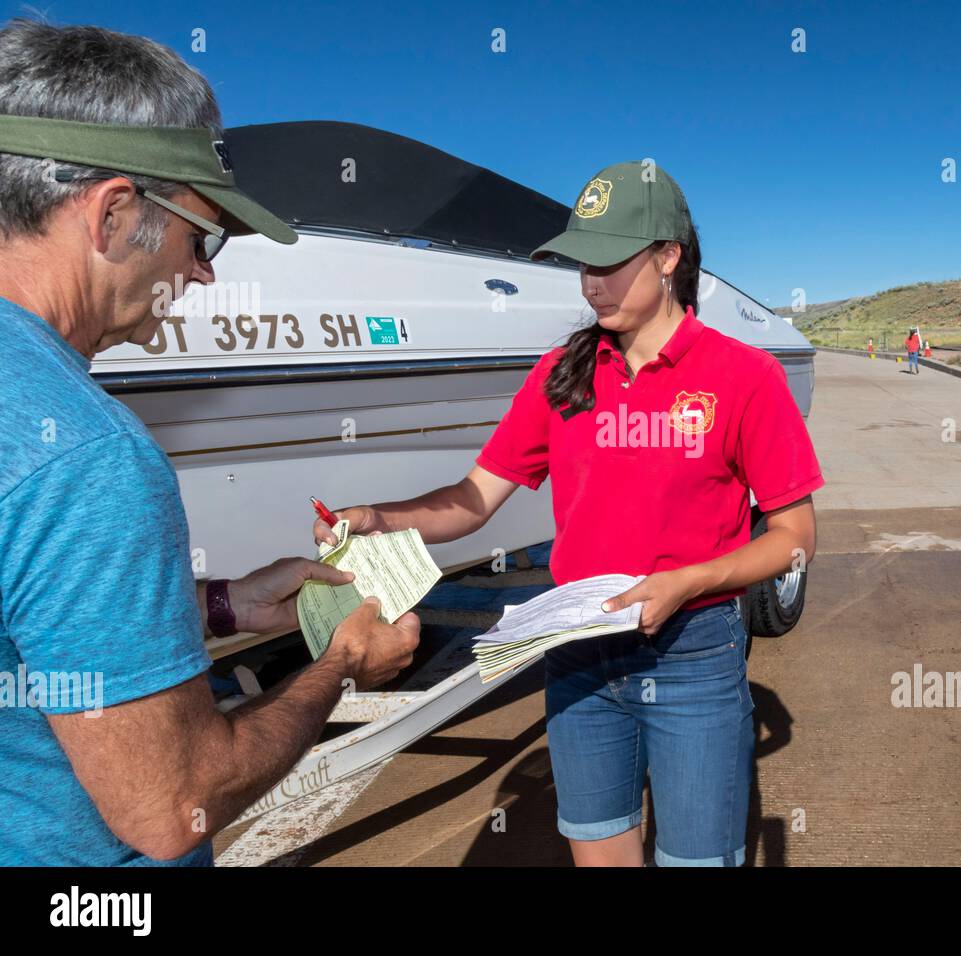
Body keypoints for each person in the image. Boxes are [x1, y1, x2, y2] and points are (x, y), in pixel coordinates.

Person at [314, 162, 824, 866]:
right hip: (579, 654)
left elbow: (795, 537)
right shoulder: (561, 374)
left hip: (692, 657)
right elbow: (472, 500)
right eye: (583, 261)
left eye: (609, 261)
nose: (590, 281)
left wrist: (687, 582)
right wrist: (378, 518)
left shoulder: (746, 378)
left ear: (669, 256)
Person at [0, 20, 420, 866]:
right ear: (115, 213)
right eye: (204, 237)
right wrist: (340, 665)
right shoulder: (89, 456)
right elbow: (172, 801)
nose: (204, 274)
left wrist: (225, 606)